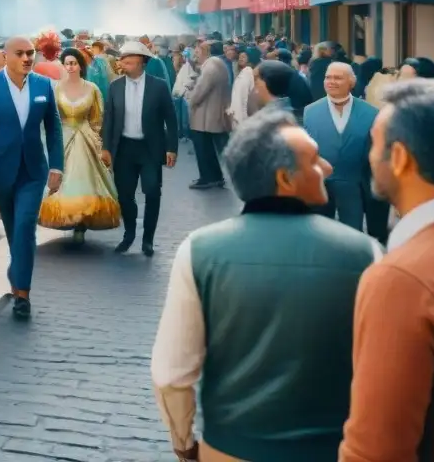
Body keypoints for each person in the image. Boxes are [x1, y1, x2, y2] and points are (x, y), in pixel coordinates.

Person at [152, 109, 380, 461]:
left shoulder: (199, 251)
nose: (328, 167)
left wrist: (183, 442)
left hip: (231, 448)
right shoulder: (364, 253)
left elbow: (171, 374)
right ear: (284, 179)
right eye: (314, 159)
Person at [341, 79, 434, 461]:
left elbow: (375, 451)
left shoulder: (402, 280)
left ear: (401, 158)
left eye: (374, 144)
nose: (369, 156)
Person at [0, 36, 63, 320]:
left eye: (30, 53)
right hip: (1, 171)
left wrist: (57, 167)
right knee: (13, 230)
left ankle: (22, 294)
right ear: (5, 56)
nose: (26, 58)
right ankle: (17, 267)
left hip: (34, 172)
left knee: (25, 228)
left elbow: (55, 129)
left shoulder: (44, 85)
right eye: (20, 53)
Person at [100, 41, 177, 256]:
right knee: (124, 195)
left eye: (128, 61)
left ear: (141, 62)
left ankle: (148, 239)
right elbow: (109, 119)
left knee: (152, 191)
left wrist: (172, 148)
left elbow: (170, 118)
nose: (122, 64)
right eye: (122, 60)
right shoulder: (115, 86)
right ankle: (129, 233)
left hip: (150, 148)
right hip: (124, 148)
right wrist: (106, 147)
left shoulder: (158, 86)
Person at [38, 47, 119, 243]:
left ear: (80, 66)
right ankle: (67, 217)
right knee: (60, 181)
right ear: (63, 66)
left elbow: (97, 118)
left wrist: (98, 141)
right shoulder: (55, 88)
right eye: (67, 63)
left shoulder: (92, 88)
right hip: (62, 137)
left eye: (74, 63)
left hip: (85, 138)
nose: (71, 67)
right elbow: (48, 118)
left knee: (86, 181)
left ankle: (81, 224)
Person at [303, 61, 388, 240]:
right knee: (320, 236)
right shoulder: (310, 112)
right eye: (328, 77)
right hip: (321, 187)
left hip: (355, 184)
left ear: (351, 82)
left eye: (338, 78)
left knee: (352, 236)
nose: (331, 81)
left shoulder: (371, 113)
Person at [184, 41, 230, 189]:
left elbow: (201, 91)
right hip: (211, 113)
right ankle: (216, 177)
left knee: (203, 150)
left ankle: (207, 178)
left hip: (205, 115)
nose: (196, 54)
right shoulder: (217, 64)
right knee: (209, 149)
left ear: (206, 51)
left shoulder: (211, 66)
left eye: (197, 51)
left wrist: (190, 98)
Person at [227, 46, 260, 129]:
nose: (240, 59)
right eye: (240, 57)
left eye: (244, 57)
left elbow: (242, 99)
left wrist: (239, 120)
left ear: (250, 59)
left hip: (242, 119)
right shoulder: (248, 73)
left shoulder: (246, 74)